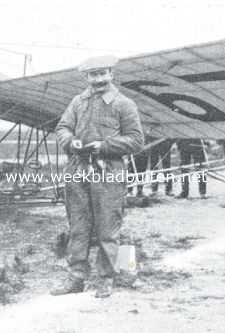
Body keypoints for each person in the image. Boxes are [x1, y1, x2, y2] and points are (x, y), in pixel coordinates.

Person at [53, 55, 143, 298]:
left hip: (108, 171)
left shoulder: (124, 104)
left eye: (103, 73)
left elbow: (136, 140)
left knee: (107, 226)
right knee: (78, 226)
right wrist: (72, 142)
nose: (99, 79)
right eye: (94, 74)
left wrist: (102, 146)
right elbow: (62, 127)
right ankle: (76, 277)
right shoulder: (77, 102)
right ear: (86, 77)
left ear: (112, 74)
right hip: (77, 169)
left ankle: (106, 278)